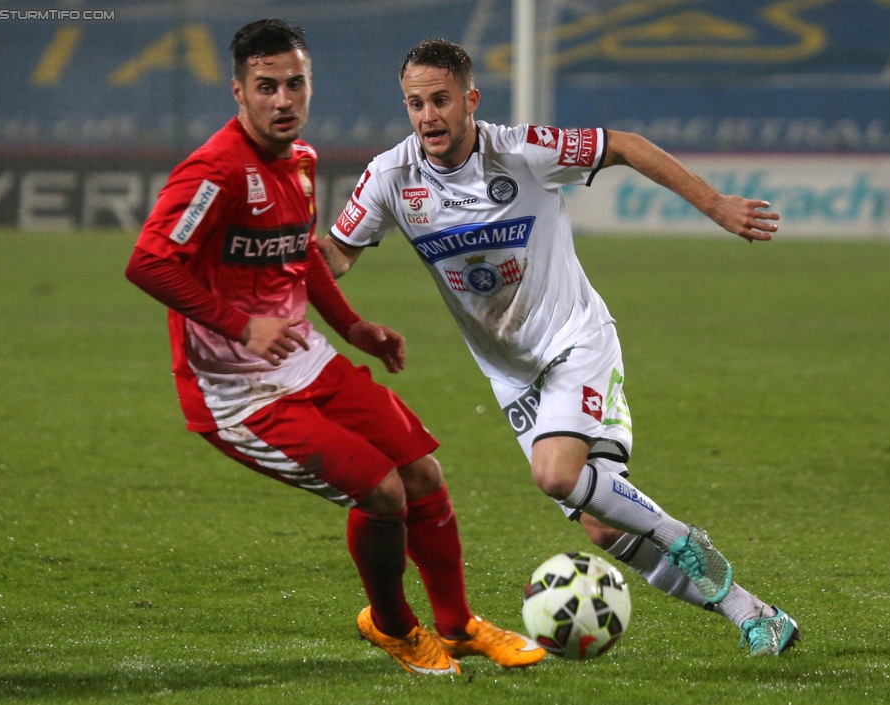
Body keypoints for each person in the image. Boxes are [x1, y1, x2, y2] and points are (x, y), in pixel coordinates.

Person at [318, 38, 800, 657]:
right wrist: (277, 252)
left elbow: (622, 144)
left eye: (441, 100)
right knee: (600, 521)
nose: (428, 116)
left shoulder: (521, 151)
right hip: (512, 374)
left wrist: (714, 204)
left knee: (555, 475)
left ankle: (681, 535)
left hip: (575, 341)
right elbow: (337, 255)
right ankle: (754, 614)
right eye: (415, 104)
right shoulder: (392, 176)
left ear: (471, 99)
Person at [125, 21, 546, 676]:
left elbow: (301, 251)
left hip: (308, 360)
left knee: (423, 475)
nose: (283, 99)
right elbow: (149, 263)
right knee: (382, 492)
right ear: (239, 91)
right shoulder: (213, 172)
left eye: (295, 83)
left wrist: (353, 328)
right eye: (267, 87)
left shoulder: (300, 160)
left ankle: (458, 624)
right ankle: (394, 626)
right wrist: (239, 325)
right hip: (239, 394)